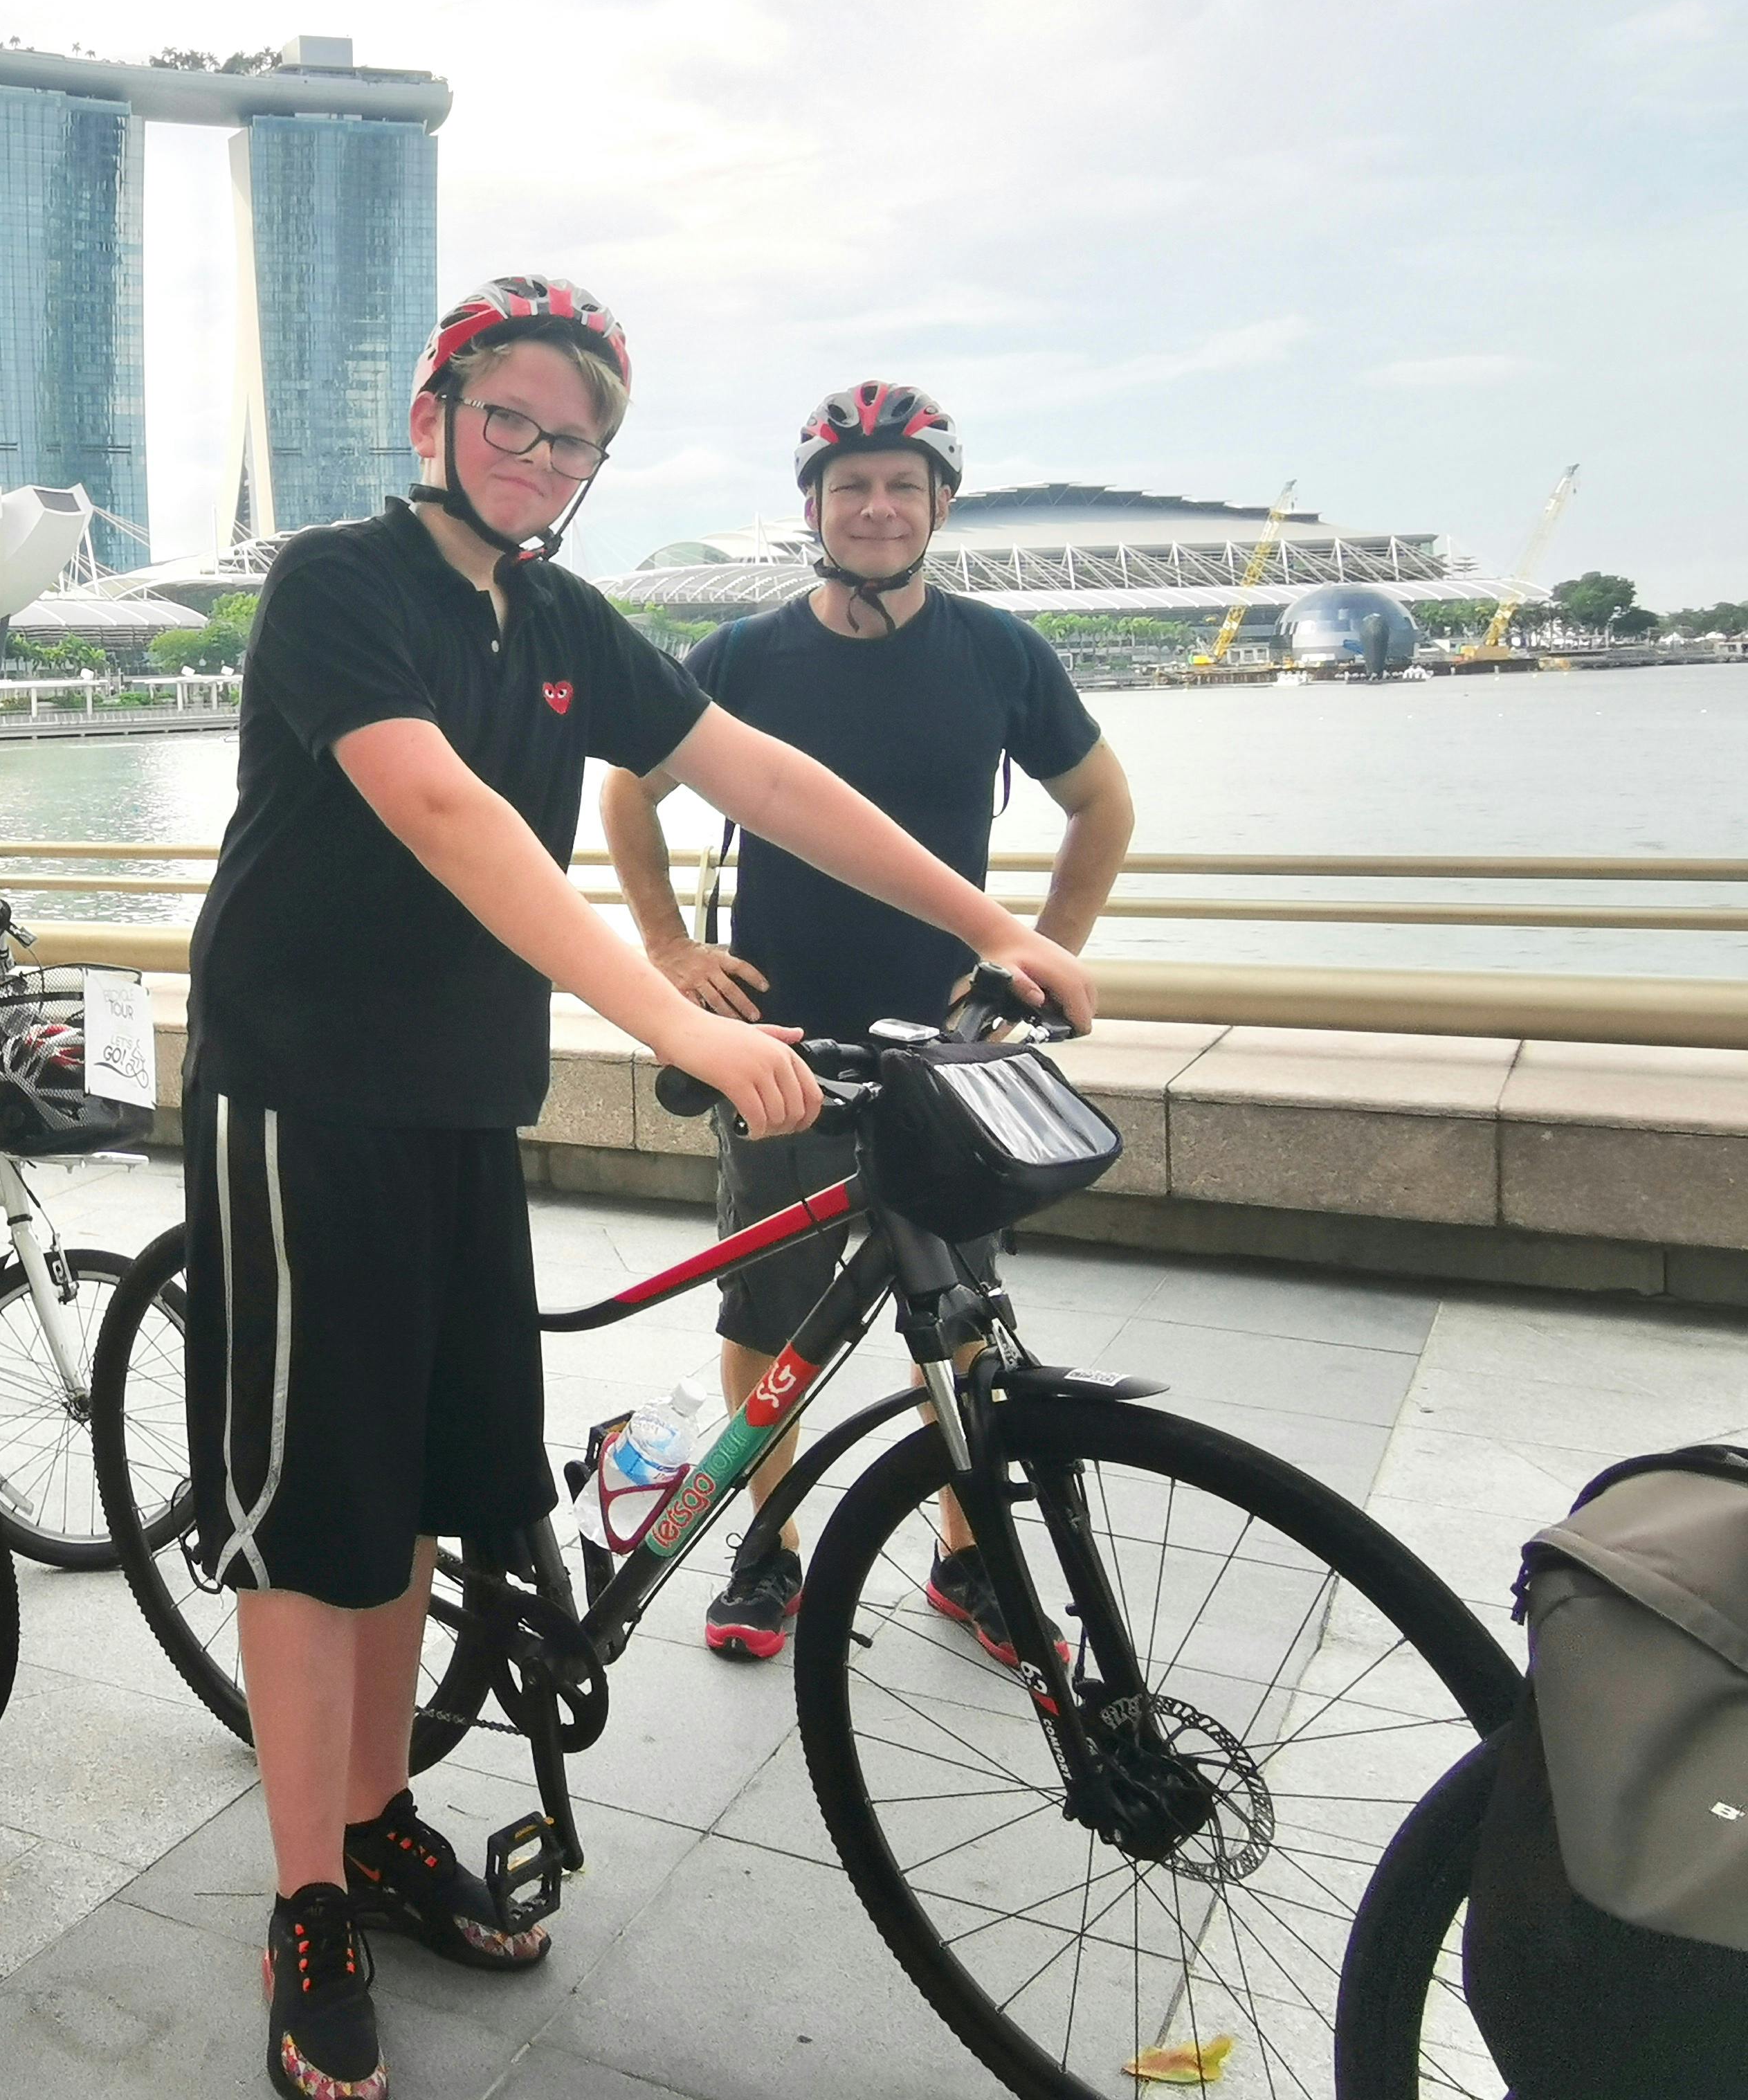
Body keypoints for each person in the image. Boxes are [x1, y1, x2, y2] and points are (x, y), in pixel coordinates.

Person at [184, 282, 1099, 2100]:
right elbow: (447, 819)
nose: (536, 457)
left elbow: (748, 768)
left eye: (572, 439)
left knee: (434, 1488)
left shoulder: (559, 618)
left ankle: (378, 1823)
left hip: (459, 1102)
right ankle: (304, 1898)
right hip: (304, 1099)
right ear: (436, 415)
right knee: (323, 1515)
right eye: (508, 420)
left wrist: (993, 921)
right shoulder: (337, 583)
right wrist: (668, 991)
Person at [596, 381, 1136, 1668]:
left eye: (904, 486)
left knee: (959, 1313)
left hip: (947, 1049)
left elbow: (1101, 808)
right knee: (763, 1310)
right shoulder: (744, 657)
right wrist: (667, 949)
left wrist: (1036, 960)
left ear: (940, 506)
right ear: (814, 511)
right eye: (853, 487)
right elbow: (629, 793)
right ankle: (768, 1541)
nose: (878, 507)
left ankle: (969, 1557)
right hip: (778, 1040)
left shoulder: (1002, 652)